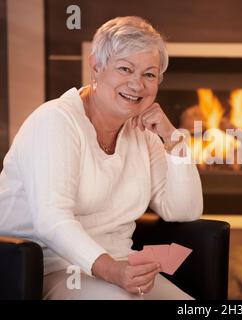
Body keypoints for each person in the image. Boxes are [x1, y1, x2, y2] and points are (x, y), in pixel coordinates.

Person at [0, 16, 203, 299]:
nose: (137, 85)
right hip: (48, 269)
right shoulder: (56, 121)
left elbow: (184, 210)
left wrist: (173, 139)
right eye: (125, 69)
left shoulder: (143, 133)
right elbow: (51, 220)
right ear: (96, 67)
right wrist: (113, 270)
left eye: (149, 74)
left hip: (121, 264)